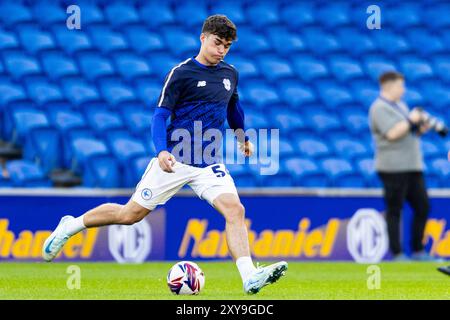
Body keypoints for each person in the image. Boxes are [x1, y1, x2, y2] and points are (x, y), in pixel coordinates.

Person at [42, 14, 287, 294]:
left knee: (235, 210)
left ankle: (249, 276)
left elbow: (233, 108)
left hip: (209, 164)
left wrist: (242, 137)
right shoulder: (181, 73)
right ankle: (71, 226)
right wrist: (161, 151)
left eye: (227, 46)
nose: (221, 50)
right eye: (217, 43)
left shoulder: (230, 74)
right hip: (175, 159)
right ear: (203, 38)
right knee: (129, 215)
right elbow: (160, 116)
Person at [369, 71, 436, 261]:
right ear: (389, 86)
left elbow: (408, 132)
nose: (403, 89)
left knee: (423, 206)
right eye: (400, 85)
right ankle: (397, 253)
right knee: (395, 209)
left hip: (412, 165)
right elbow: (391, 133)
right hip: (392, 167)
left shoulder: (400, 105)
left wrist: (420, 127)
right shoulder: (379, 108)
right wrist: (410, 121)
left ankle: (417, 250)